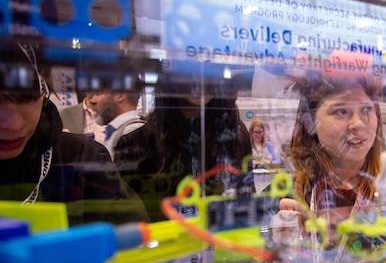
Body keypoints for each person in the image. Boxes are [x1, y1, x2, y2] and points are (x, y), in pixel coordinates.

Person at [0, 40, 149, 225]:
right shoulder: (77, 138)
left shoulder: (83, 157)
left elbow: (134, 234)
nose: (13, 124)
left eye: (27, 98)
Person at [114, 71, 253, 222]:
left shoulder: (236, 134)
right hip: (167, 242)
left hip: (226, 239)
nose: (199, 80)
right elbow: (130, 219)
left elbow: (247, 199)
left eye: (208, 69)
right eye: (188, 68)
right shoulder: (135, 143)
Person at [276, 74, 385, 250]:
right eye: (341, 111)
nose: (358, 124)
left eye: (366, 109)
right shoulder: (284, 195)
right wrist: (279, 248)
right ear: (310, 122)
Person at [89, 71, 145, 160]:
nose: (93, 101)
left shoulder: (133, 133)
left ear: (119, 95)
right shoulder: (115, 132)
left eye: (98, 93)